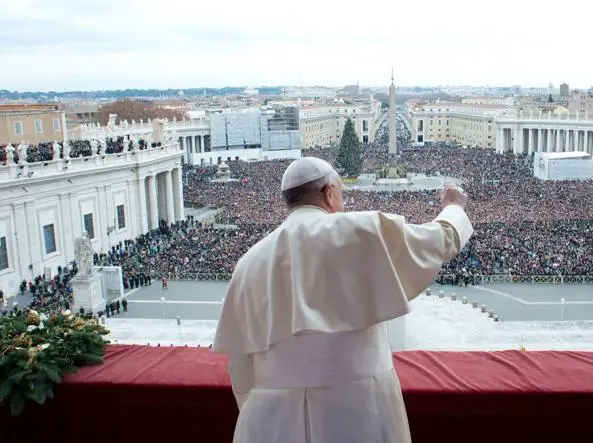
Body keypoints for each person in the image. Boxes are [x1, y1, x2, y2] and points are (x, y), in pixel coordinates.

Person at [213, 157, 474, 443]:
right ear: (328, 192)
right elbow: (441, 239)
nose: (344, 203)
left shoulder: (249, 262)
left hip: (271, 417)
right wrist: (454, 207)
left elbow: (240, 362)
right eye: (341, 193)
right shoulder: (361, 230)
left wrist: (259, 412)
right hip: (360, 408)